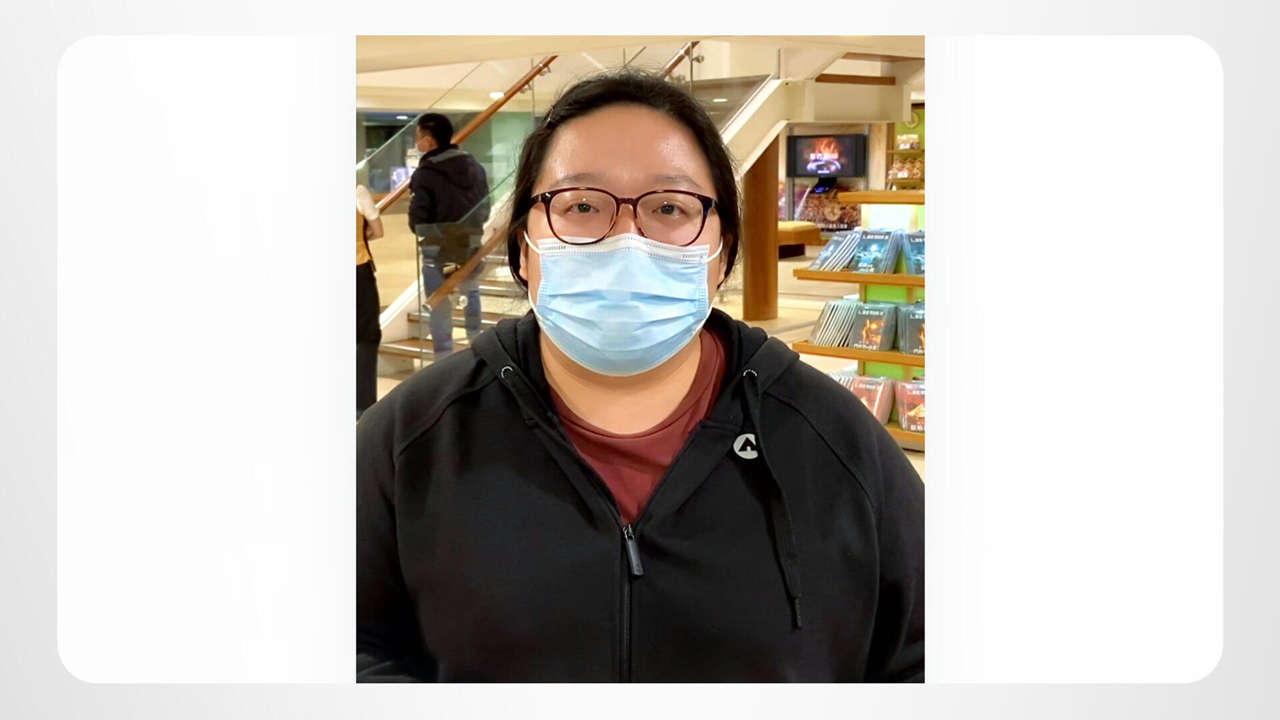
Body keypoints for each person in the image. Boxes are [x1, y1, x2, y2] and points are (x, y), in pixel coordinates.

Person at [357, 71, 924, 682]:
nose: (626, 240)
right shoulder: (409, 440)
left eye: (670, 208)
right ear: (522, 247)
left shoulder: (838, 444)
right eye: (580, 205)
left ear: (722, 254)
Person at [408, 113, 490, 358]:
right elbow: (484, 208)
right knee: (471, 290)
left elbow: (418, 219)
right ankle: (478, 349)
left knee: (439, 301)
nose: (417, 143)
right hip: (470, 241)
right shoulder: (475, 167)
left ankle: (443, 357)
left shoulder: (425, 173)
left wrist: (424, 228)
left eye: (418, 137)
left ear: (429, 141)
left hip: (436, 247)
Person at [355, 183, 383, 418]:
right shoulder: (357, 191)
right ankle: (363, 405)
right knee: (366, 335)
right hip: (357, 268)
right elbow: (378, 230)